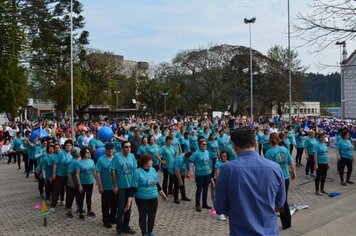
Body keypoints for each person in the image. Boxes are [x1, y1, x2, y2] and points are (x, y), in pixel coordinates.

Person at [214, 128, 285, 236]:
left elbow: (220, 207)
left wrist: (238, 210)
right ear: (255, 143)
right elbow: (280, 203)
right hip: (269, 231)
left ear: (234, 146)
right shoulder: (275, 168)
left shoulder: (227, 169)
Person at [125, 154, 168, 236]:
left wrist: (162, 194)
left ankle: (150, 232)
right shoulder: (137, 172)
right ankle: (144, 233)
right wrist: (129, 200)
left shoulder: (153, 170)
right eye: (150, 160)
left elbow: (157, 184)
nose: (152, 162)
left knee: (152, 215)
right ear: (145, 162)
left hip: (153, 197)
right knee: (143, 216)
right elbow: (133, 187)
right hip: (142, 198)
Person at [265, 133, 296, 230]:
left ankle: (271, 224)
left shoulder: (268, 152)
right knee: (283, 201)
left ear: (270, 140)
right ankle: (287, 224)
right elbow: (291, 163)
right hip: (285, 178)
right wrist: (293, 173)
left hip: (274, 180)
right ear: (278, 140)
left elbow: (267, 169)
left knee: (272, 201)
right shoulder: (285, 149)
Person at [111, 141, 137, 235]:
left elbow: (134, 169)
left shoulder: (132, 156)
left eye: (130, 146)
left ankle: (126, 227)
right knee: (121, 207)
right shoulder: (117, 156)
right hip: (121, 186)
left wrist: (135, 184)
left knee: (128, 207)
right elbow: (113, 171)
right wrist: (114, 185)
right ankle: (119, 228)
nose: (128, 148)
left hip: (130, 186)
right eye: (126, 147)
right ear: (122, 148)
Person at [96, 142, 117, 228]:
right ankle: (106, 220)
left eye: (112, 149)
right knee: (106, 204)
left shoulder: (116, 159)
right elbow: (97, 173)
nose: (110, 151)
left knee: (115, 204)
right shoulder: (101, 160)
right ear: (105, 150)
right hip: (105, 186)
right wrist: (100, 185)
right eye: (108, 149)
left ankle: (112, 218)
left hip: (115, 186)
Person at [189, 139, 212, 212]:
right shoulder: (196, 153)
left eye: (206, 144)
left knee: (206, 189)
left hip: (207, 173)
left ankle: (204, 204)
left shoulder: (207, 152)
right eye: (203, 144)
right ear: (199, 145)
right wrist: (193, 171)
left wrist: (210, 169)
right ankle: (197, 205)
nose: (205, 145)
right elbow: (190, 161)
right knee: (199, 189)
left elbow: (208, 162)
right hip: (199, 174)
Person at [50, 140, 73, 211]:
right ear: (64, 146)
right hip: (60, 175)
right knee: (57, 190)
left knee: (69, 191)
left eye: (70, 145)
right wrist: (54, 173)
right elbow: (55, 163)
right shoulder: (61, 153)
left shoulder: (72, 154)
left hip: (68, 176)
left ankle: (68, 206)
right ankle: (52, 206)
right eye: (67, 145)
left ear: (72, 147)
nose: (68, 147)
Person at [76, 146, 97, 219]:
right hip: (82, 183)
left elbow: (94, 171)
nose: (88, 153)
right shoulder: (79, 163)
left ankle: (89, 210)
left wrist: (97, 180)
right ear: (83, 153)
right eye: (87, 152)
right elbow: (77, 174)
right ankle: (81, 212)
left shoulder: (91, 161)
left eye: (89, 152)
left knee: (89, 197)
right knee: (81, 197)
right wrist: (79, 185)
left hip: (90, 182)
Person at [212, 151, 228, 221]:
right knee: (220, 198)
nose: (223, 157)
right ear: (220, 157)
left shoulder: (229, 163)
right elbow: (217, 175)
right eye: (222, 156)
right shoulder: (218, 164)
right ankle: (220, 214)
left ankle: (225, 212)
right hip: (221, 182)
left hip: (227, 183)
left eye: (225, 156)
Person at [65, 147, 81, 218]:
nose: (80, 152)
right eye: (79, 151)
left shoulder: (77, 160)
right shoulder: (72, 161)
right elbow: (69, 173)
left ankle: (78, 208)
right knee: (70, 197)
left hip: (77, 183)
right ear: (76, 153)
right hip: (72, 184)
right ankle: (68, 211)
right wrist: (71, 183)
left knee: (78, 196)